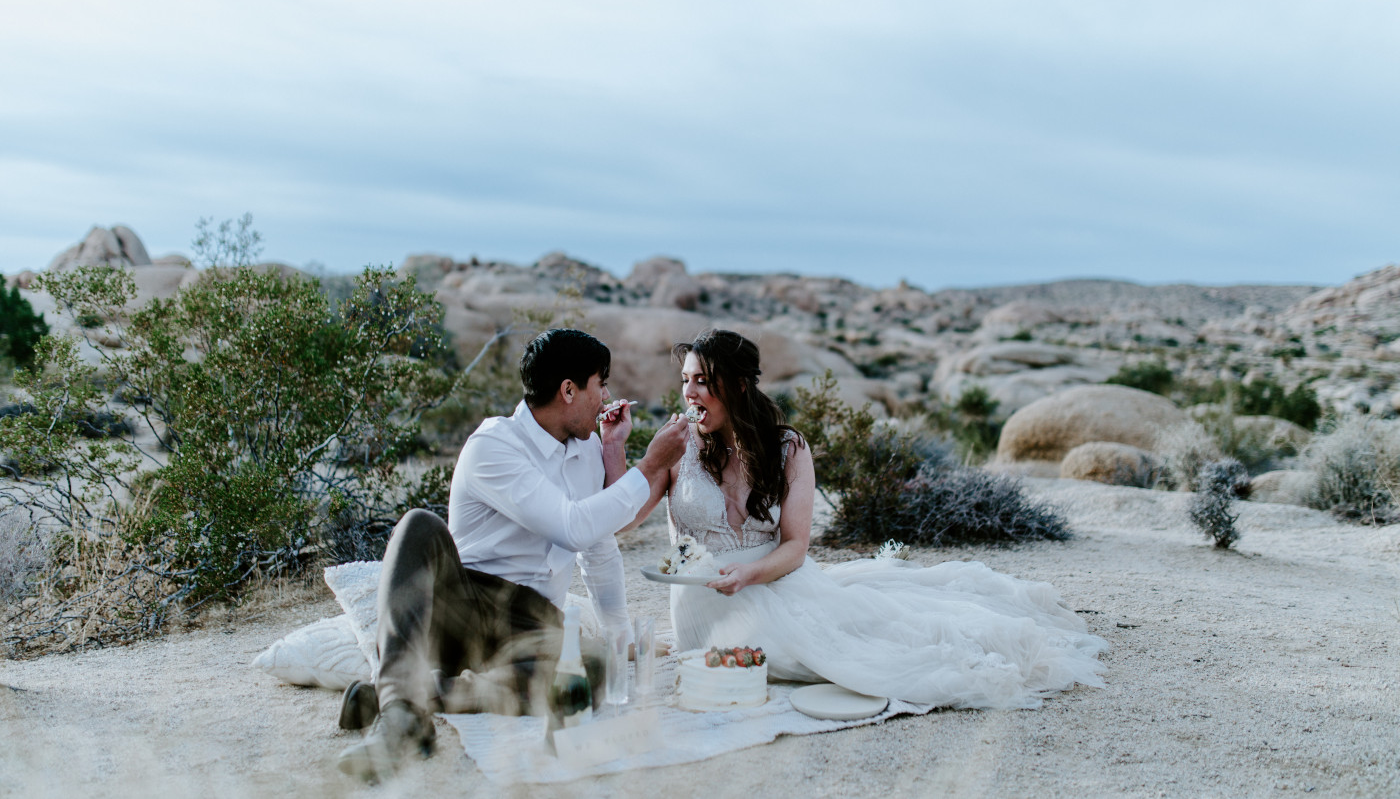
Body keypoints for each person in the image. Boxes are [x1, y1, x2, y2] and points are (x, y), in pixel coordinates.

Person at [627, 328, 1106, 708]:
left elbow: (795, 545)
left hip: (772, 582)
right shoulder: (674, 447)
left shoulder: (787, 448)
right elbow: (621, 519)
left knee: (860, 654)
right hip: (701, 605)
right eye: (686, 379)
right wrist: (621, 451)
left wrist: (751, 573)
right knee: (800, 659)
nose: (688, 391)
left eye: (702, 380)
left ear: (737, 385)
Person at [338, 328, 689, 780]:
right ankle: (399, 715)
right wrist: (651, 464)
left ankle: (428, 696)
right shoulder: (494, 446)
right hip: (463, 604)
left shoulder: (585, 450)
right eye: (599, 384)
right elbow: (572, 526)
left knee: (597, 667)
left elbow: (597, 541)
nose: (606, 397)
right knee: (418, 526)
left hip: (534, 621)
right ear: (568, 390)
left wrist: (620, 633)